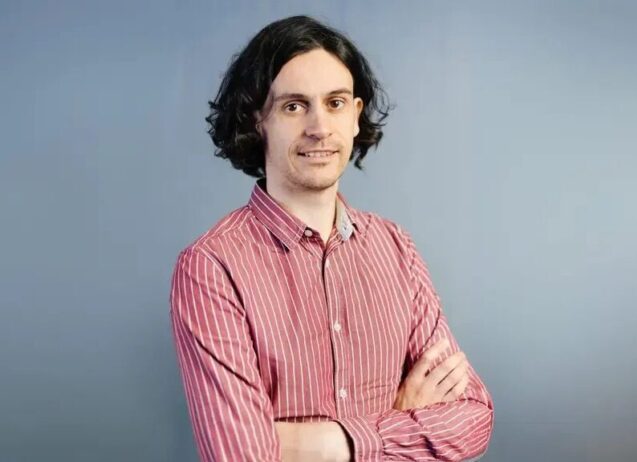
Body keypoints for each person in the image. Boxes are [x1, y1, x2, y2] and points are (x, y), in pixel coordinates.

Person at [170, 15, 494, 462]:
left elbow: (473, 417)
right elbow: (244, 457)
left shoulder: (396, 247)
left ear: (356, 116)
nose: (319, 127)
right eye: (294, 106)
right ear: (257, 119)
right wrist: (401, 420)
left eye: (336, 103)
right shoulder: (211, 268)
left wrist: (328, 443)